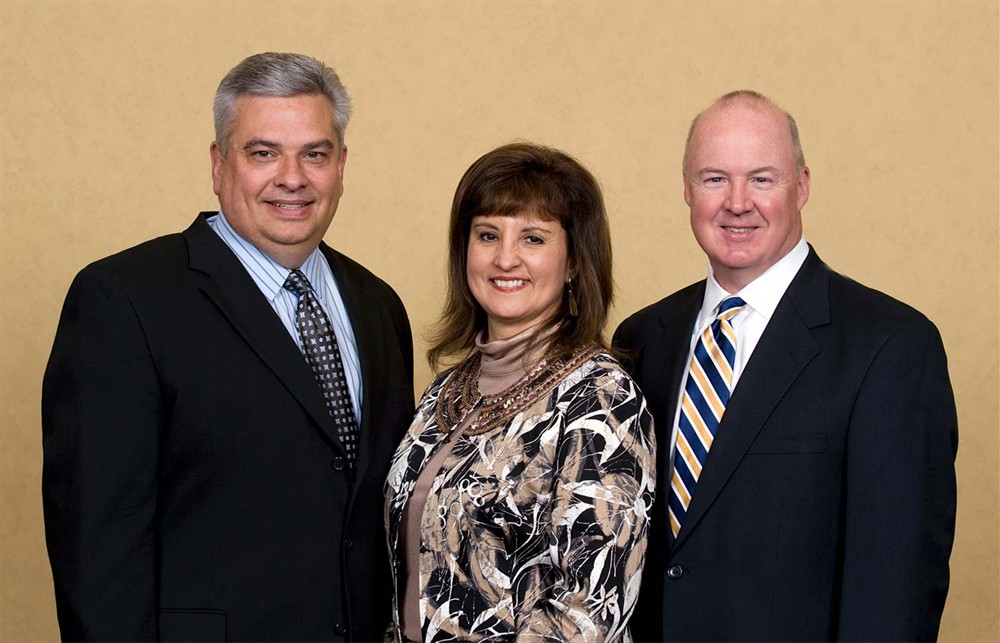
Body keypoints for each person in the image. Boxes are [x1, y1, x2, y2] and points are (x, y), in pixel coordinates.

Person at [42, 52, 414, 642]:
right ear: (218, 165)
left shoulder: (378, 306)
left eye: (314, 154)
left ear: (341, 166)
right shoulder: (124, 299)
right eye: (262, 152)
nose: (292, 177)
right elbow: (97, 542)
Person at [614, 90, 958, 641]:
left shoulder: (891, 346)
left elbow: (896, 588)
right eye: (714, 178)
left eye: (762, 179)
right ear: (685, 188)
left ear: (802, 186)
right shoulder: (641, 338)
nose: (737, 202)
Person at [384, 142, 656, 642]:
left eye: (533, 238)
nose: (505, 259)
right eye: (488, 235)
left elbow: (587, 613)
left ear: (575, 261)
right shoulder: (447, 390)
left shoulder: (600, 400)